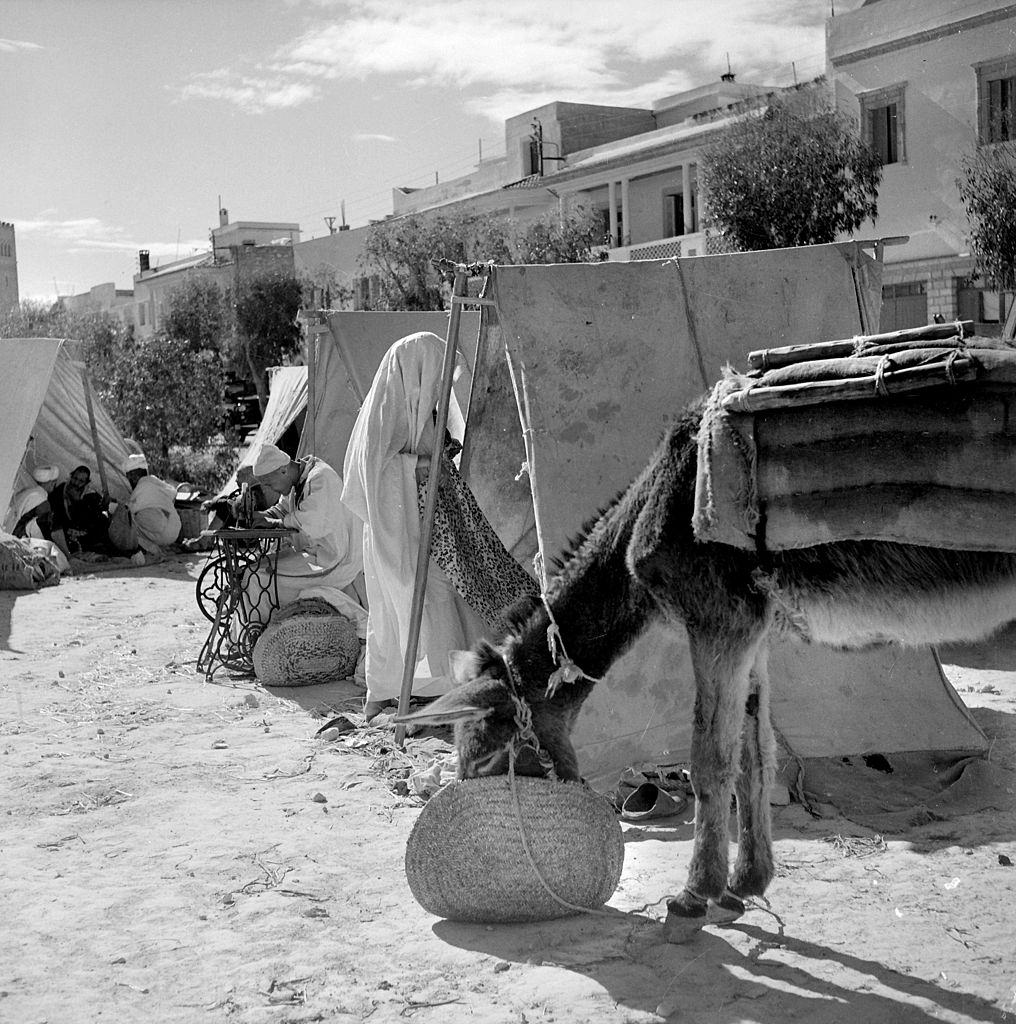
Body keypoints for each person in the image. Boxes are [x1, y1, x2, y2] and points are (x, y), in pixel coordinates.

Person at [341, 331, 487, 721]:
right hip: (396, 530)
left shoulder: (419, 406)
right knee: (397, 611)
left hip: (425, 527)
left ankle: (446, 690)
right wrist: (420, 466)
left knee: (440, 601)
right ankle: (387, 691)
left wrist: (439, 453)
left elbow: (428, 446)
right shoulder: (384, 410)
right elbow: (374, 475)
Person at [247, 443, 365, 625]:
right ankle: (255, 633)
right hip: (316, 553)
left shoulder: (320, 478)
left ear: (283, 470)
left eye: (270, 484)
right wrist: (261, 516)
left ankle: (258, 634)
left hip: (334, 559)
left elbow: (313, 521)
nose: (271, 490)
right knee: (255, 567)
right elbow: (283, 509)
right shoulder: (298, 480)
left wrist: (275, 523)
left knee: (257, 577)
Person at [108, 453, 181, 564]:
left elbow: (128, 509)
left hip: (163, 533)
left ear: (134, 475)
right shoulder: (153, 481)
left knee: (127, 524)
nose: (130, 480)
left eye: (130, 477)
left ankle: (153, 550)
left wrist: (109, 506)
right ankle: (157, 546)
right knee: (139, 517)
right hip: (174, 530)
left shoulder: (143, 485)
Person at [48, 465, 110, 556]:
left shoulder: (91, 496)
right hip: (63, 532)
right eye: (75, 478)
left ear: (86, 482)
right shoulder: (62, 489)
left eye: (81, 481)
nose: (76, 483)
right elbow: (53, 505)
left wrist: (77, 502)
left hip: (85, 537)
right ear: (71, 476)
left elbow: (89, 519)